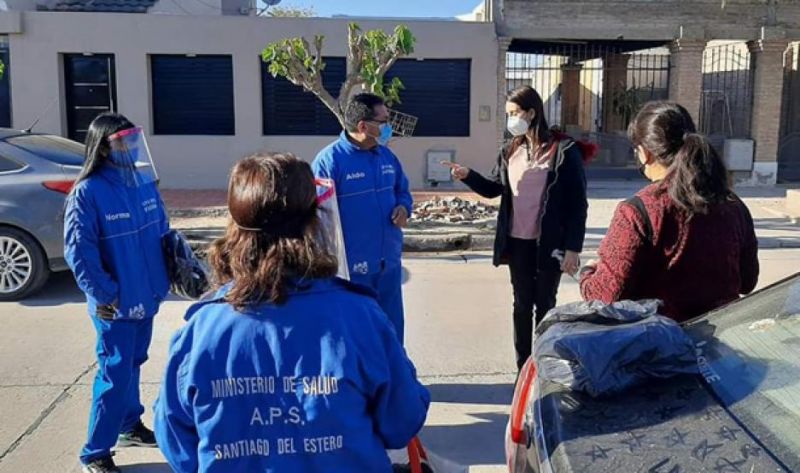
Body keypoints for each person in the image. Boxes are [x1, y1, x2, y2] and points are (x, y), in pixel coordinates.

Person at [154, 153, 430, 473]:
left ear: (235, 226)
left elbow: (178, 445)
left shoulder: (201, 330)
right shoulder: (361, 317)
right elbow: (402, 421)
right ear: (315, 221)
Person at [444, 85, 588, 370]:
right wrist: (468, 176)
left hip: (550, 241)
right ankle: (523, 368)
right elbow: (494, 188)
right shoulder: (511, 149)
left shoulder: (564, 151)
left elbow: (577, 204)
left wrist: (573, 248)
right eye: (508, 114)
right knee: (522, 304)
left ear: (531, 113)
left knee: (545, 304)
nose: (511, 119)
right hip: (517, 240)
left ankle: (544, 365)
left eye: (514, 113)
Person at [580, 101, 759, 322]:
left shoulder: (638, 211)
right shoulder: (733, 205)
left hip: (661, 338)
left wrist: (587, 273)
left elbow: (604, 296)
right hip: (721, 335)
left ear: (644, 153)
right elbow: (747, 282)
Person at [64, 113, 170, 473]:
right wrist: (107, 294)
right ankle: (95, 452)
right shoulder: (88, 192)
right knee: (114, 374)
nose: (131, 147)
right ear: (105, 148)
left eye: (133, 139)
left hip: (146, 296)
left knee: (133, 365)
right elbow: (80, 252)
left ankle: (129, 426)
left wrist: (171, 274)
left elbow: (162, 230)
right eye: (123, 141)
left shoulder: (141, 182)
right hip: (115, 305)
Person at [312, 93, 412, 342]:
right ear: (363, 126)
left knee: (391, 332)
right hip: (352, 271)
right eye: (384, 121)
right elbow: (318, 217)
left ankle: (393, 367)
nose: (389, 126)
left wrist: (404, 207)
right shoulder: (329, 162)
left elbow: (402, 191)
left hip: (388, 265)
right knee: (356, 336)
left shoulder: (387, 157)